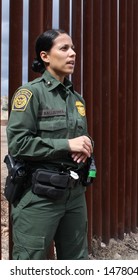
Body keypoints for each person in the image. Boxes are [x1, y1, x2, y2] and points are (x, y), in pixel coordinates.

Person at [6, 29, 95, 260]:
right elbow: (18, 144)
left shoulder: (77, 99)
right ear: (45, 56)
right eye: (64, 48)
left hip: (74, 196)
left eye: (73, 48)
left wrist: (86, 145)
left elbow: (79, 137)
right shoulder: (30, 94)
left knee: (77, 263)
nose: (72, 54)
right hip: (40, 196)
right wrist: (67, 144)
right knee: (29, 265)